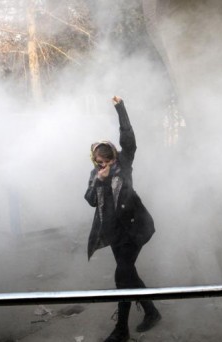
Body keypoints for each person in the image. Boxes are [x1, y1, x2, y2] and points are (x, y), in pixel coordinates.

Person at [84, 96, 161, 342]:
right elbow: (90, 200)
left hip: (134, 230)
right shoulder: (95, 175)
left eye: (107, 162)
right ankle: (151, 312)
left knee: (122, 276)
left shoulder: (124, 164)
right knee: (129, 274)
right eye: (99, 163)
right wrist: (99, 180)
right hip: (114, 234)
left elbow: (129, 141)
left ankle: (121, 330)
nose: (103, 166)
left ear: (114, 159)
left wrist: (121, 108)